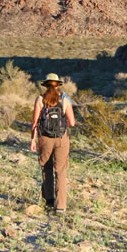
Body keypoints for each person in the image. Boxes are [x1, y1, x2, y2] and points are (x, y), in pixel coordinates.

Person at [30, 73, 76, 213]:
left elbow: (34, 123)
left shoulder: (40, 99)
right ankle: (61, 206)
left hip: (44, 138)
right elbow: (72, 123)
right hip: (62, 138)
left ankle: (49, 201)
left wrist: (33, 139)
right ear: (58, 85)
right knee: (61, 171)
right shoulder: (65, 99)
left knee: (46, 168)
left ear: (45, 85)